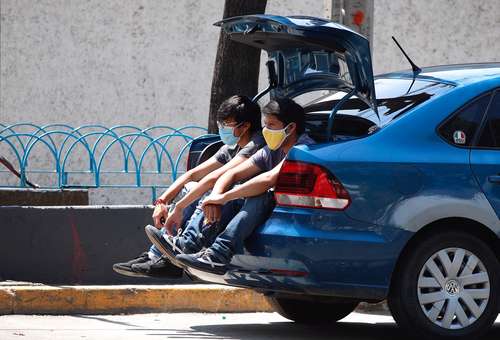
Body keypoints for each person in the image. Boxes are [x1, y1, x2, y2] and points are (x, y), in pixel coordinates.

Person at [112, 95, 264, 277]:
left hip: (240, 202)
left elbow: (218, 177)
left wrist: (179, 206)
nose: (222, 129)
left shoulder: (256, 144)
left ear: (245, 126)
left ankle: (185, 246)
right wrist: (162, 201)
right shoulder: (232, 147)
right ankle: (157, 256)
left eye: (227, 124)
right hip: (228, 202)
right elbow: (191, 175)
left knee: (207, 191)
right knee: (191, 186)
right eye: (220, 124)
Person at [175, 97, 315, 274]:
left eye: (271, 125)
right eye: (265, 125)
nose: (266, 131)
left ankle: (219, 254)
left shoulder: (303, 148)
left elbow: (268, 179)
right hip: (265, 210)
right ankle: (190, 243)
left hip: (292, 212)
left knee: (260, 194)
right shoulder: (272, 149)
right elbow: (233, 174)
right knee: (228, 192)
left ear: (291, 127)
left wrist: (223, 197)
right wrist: (215, 198)